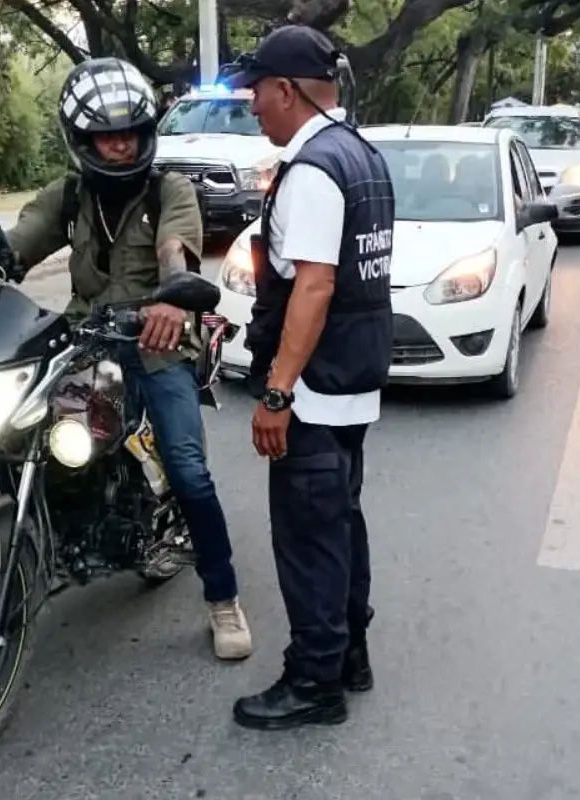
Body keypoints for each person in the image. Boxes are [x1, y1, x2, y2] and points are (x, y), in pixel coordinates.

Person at [0, 57, 253, 662]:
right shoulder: (68, 196)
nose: (120, 147)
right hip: (84, 337)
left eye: (130, 133)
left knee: (189, 469)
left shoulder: (170, 191)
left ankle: (222, 599)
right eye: (105, 137)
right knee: (11, 428)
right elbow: (12, 249)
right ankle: (47, 532)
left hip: (155, 342)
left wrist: (173, 300)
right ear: (83, 141)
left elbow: (176, 253)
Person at [219, 25, 395, 730]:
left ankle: (315, 681)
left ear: (287, 91)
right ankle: (350, 655)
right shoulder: (361, 155)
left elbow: (315, 287)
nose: (251, 105)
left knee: (309, 538)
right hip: (352, 382)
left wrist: (276, 393)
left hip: (315, 390)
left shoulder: (314, 170)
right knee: (341, 525)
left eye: (257, 91)